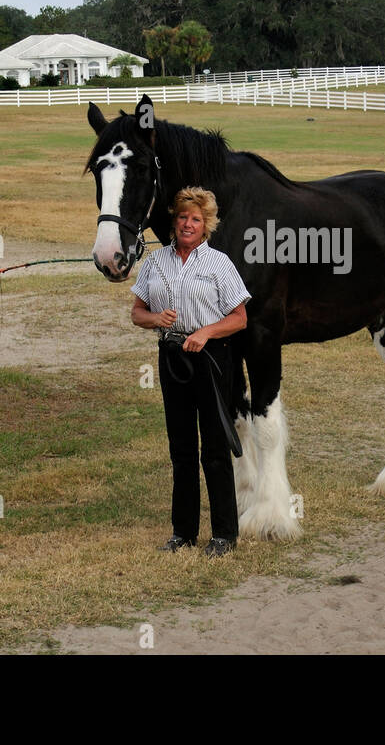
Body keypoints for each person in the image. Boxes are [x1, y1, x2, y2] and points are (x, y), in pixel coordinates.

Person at [131, 187, 250, 557]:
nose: (188, 224)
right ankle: (183, 532)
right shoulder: (154, 262)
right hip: (172, 357)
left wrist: (205, 332)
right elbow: (137, 312)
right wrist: (155, 318)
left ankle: (224, 534)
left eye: (195, 219)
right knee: (181, 448)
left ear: (206, 225)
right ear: (174, 220)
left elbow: (240, 318)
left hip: (211, 358)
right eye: (183, 217)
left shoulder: (219, 264)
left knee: (214, 447)